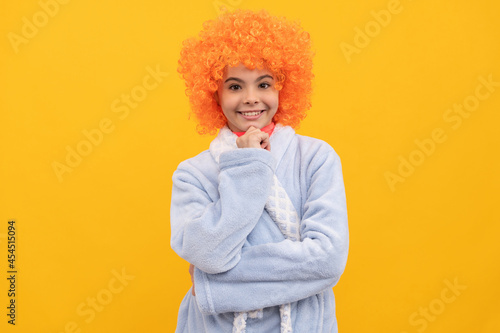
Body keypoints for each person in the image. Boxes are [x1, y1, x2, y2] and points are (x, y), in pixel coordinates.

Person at [171, 8, 349, 332]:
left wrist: (213, 286)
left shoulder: (316, 158)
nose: (251, 99)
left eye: (264, 84)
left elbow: (327, 260)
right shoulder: (192, 174)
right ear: (214, 92)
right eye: (235, 87)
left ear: (284, 87)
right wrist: (248, 166)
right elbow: (207, 253)